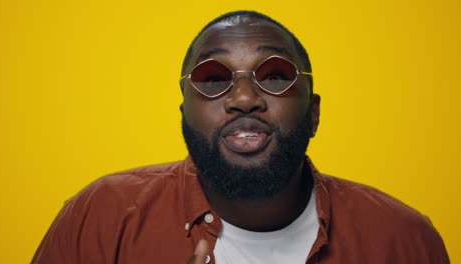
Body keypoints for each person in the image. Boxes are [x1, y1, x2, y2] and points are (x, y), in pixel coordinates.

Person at [32, 10, 449, 264]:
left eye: (275, 76)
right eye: (213, 79)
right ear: (184, 113)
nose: (245, 98)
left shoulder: (404, 238)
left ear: (314, 111)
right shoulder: (101, 218)